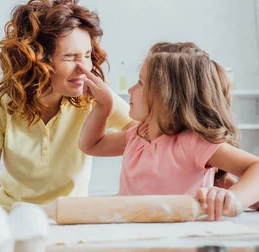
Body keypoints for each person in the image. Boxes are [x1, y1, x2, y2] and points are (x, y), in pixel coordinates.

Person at [0, 0, 134, 209]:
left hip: (69, 220)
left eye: (87, 54)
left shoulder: (95, 98)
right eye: (70, 57)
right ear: (36, 60)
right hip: (13, 217)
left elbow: (147, 135)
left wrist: (100, 137)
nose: (84, 68)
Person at [78, 42, 259, 220]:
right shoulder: (137, 135)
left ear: (167, 96)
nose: (130, 89)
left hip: (180, 238)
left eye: (140, 82)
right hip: (132, 233)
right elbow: (92, 145)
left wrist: (234, 199)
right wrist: (104, 106)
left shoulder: (195, 143)